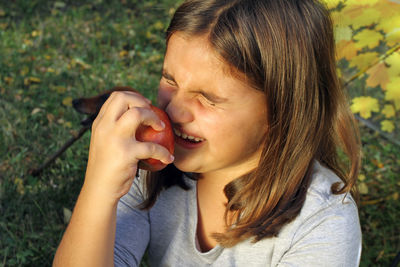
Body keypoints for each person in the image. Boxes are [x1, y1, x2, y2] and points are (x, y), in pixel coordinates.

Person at [53, 0, 362, 266]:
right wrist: (99, 188)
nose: (174, 111)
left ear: (283, 109)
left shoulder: (322, 224)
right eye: (170, 81)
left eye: (207, 98)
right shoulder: (152, 167)